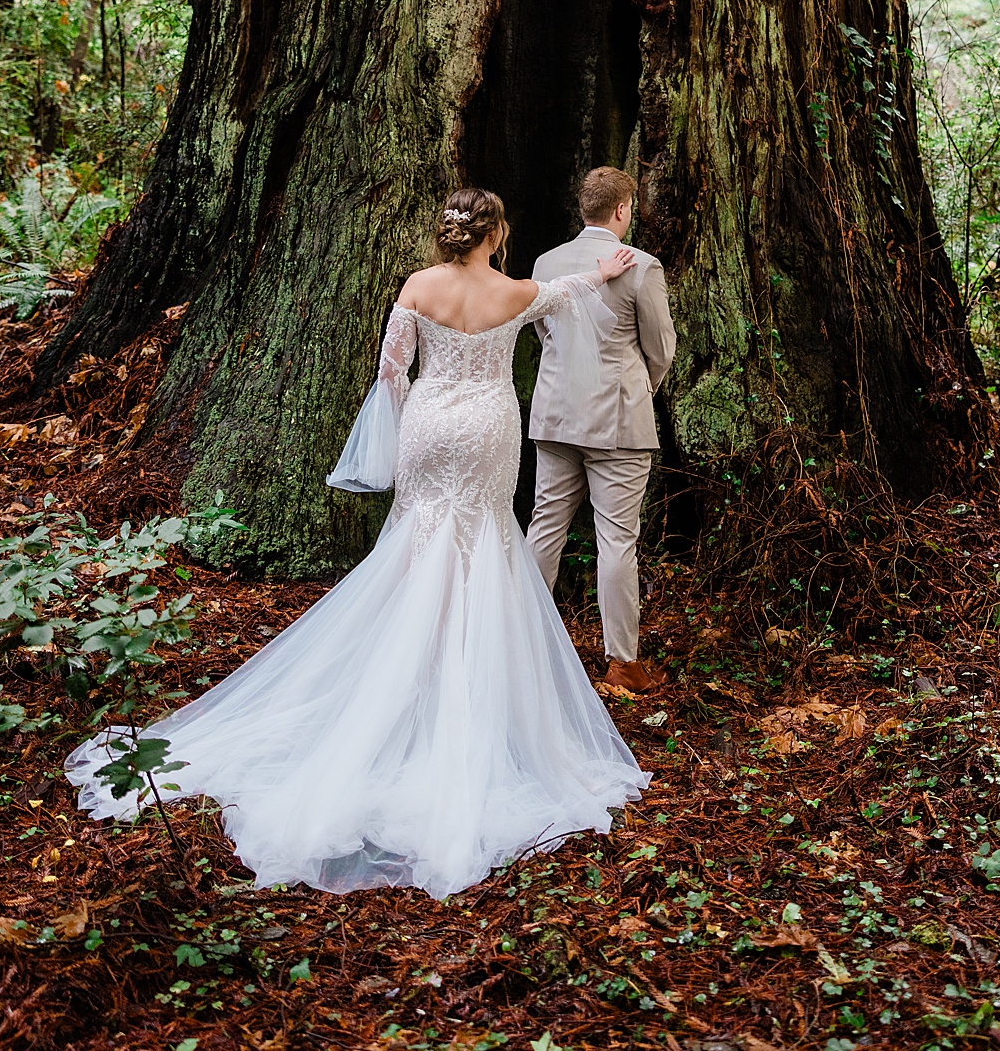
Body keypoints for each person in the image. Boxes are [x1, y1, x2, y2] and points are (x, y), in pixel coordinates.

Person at [65, 188, 651, 898]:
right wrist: (605, 270)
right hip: (492, 429)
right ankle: (466, 687)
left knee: (415, 545)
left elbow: (390, 369)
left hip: (431, 426)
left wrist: (410, 421)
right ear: (494, 232)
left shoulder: (418, 285)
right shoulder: (518, 289)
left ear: (449, 231)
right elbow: (564, 290)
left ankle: (402, 675)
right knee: (485, 546)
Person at [524, 166, 677, 695]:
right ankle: (622, 662)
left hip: (556, 413)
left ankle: (525, 639)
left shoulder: (546, 262)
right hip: (618, 421)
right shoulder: (642, 267)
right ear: (620, 210)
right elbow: (661, 348)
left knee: (546, 525)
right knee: (616, 539)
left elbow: (544, 332)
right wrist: (640, 389)